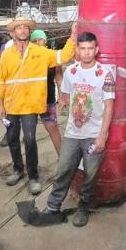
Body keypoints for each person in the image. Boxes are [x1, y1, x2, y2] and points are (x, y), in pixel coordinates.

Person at [0, 17, 77, 195]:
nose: (23, 30)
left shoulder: (40, 52)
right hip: (11, 106)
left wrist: (73, 36)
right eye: (19, 28)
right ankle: (18, 169)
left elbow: (63, 56)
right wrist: (0, 104)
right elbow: (0, 80)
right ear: (13, 33)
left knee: (30, 140)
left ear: (29, 32)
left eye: (26, 28)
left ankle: (33, 176)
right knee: (12, 138)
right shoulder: (7, 55)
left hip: (31, 106)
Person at [41, 32, 114, 227]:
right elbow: (65, 95)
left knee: (90, 174)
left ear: (96, 50)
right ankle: (53, 205)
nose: (87, 52)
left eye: (90, 48)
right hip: (73, 133)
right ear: (78, 50)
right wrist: (61, 103)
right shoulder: (71, 72)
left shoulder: (105, 74)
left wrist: (102, 136)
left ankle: (83, 208)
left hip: (94, 134)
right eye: (83, 48)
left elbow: (109, 107)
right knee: (64, 169)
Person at [28, 29, 64, 156]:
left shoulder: (52, 56)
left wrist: (61, 97)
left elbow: (59, 78)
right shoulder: (27, 58)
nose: (38, 42)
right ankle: (32, 167)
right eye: (35, 40)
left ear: (45, 40)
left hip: (48, 100)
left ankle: (62, 159)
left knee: (53, 128)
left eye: (40, 39)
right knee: (29, 134)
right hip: (29, 101)